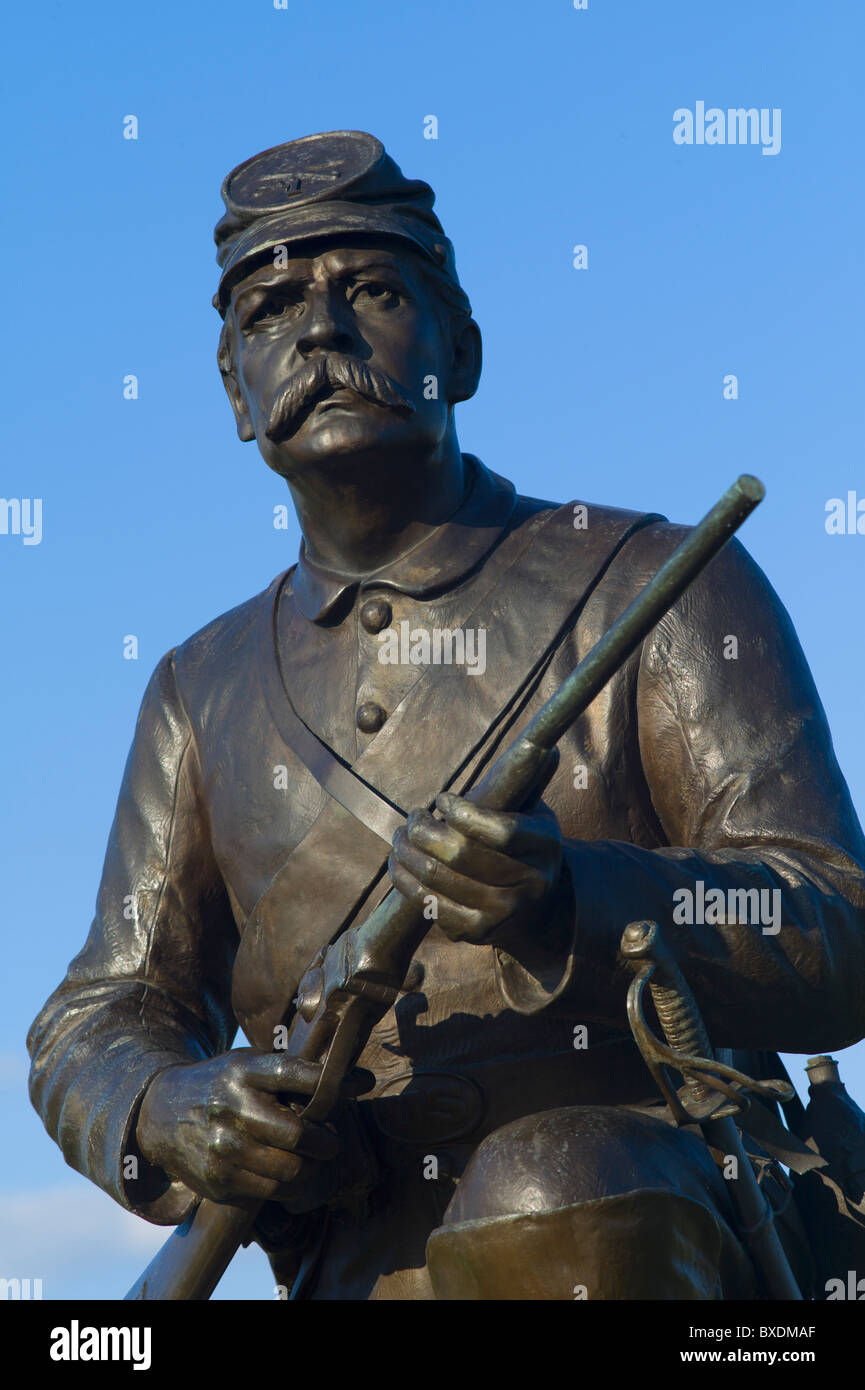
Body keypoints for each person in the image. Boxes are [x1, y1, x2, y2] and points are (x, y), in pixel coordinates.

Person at [28, 131, 865, 1299]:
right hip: (360, 1250)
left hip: (656, 1223)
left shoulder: (657, 580)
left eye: (370, 291)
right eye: (271, 310)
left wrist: (579, 900)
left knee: (549, 1183)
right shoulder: (195, 687)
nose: (318, 332)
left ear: (460, 348)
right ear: (234, 390)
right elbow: (102, 1010)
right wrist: (163, 1103)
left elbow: (836, 923)